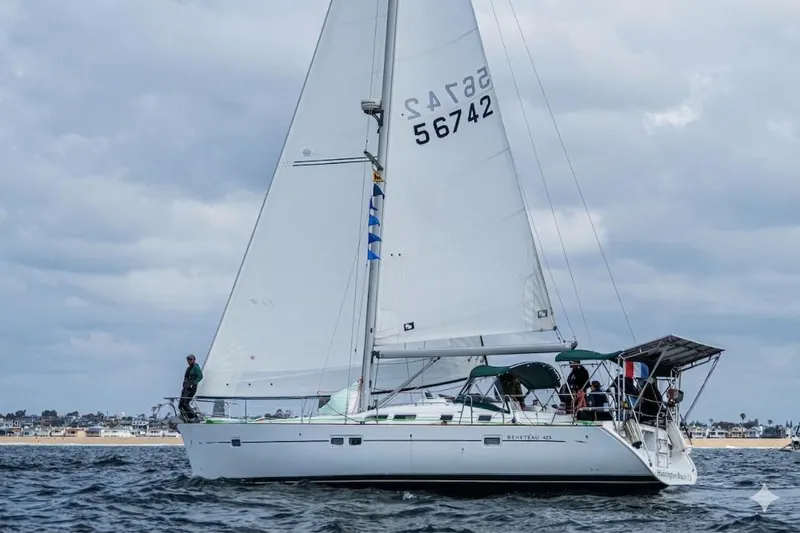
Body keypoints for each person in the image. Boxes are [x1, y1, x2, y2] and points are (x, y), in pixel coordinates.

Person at [179, 354, 203, 421]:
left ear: (194, 360)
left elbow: (200, 376)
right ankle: (185, 417)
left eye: (191, 359)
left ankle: (194, 416)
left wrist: (194, 383)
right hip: (186, 388)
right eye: (188, 359)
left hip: (191, 388)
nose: (189, 361)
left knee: (185, 403)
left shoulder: (196, 367)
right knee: (180, 405)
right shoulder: (188, 368)